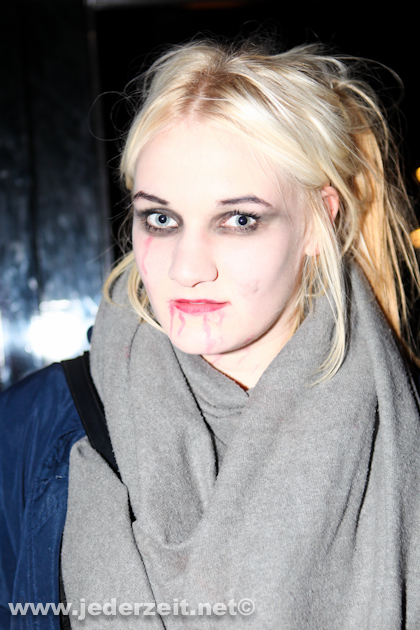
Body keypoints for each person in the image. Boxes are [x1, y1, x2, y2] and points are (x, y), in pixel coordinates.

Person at [1, 37, 420, 629]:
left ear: (318, 219)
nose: (187, 268)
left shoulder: (403, 435)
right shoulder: (29, 430)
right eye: (161, 218)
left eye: (238, 219)